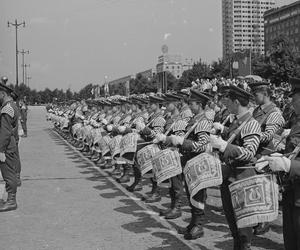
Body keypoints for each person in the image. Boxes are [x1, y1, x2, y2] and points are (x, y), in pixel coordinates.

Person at [211, 85, 261, 250]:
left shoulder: (251, 123)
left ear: (237, 102)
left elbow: (249, 152)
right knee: (232, 223)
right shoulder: (238, 121)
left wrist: (225, 147)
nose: (227, 105)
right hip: (229, 177)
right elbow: (234, 136)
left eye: (229, 102)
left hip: (242, 179)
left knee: (243, 229)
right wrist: (222, 131)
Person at [262, 77, 300, 250]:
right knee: (290, 238)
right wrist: (280, 156)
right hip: (292, 190)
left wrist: (288, 165)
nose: (291, 103)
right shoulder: (297, 122)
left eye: (295, 99)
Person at [249, 81, 285, 235]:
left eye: (256, 94)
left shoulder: (274, 113)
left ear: (265, 94)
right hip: (256, 153)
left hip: (266, 154)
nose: (253, 97)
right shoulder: (256, 110)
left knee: (265, 189)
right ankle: (258, 218)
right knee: (256, 188)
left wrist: (249, 135)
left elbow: (270, 135)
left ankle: (264, 221)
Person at [0, 82, 19, 211]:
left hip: (6, 147)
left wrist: (1, 149)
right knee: (8, 172)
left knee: (8, 174)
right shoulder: (11, 106)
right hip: (9, 144)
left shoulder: (7, 108)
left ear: (2, 94)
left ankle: (12, 201)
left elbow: (5, 131)